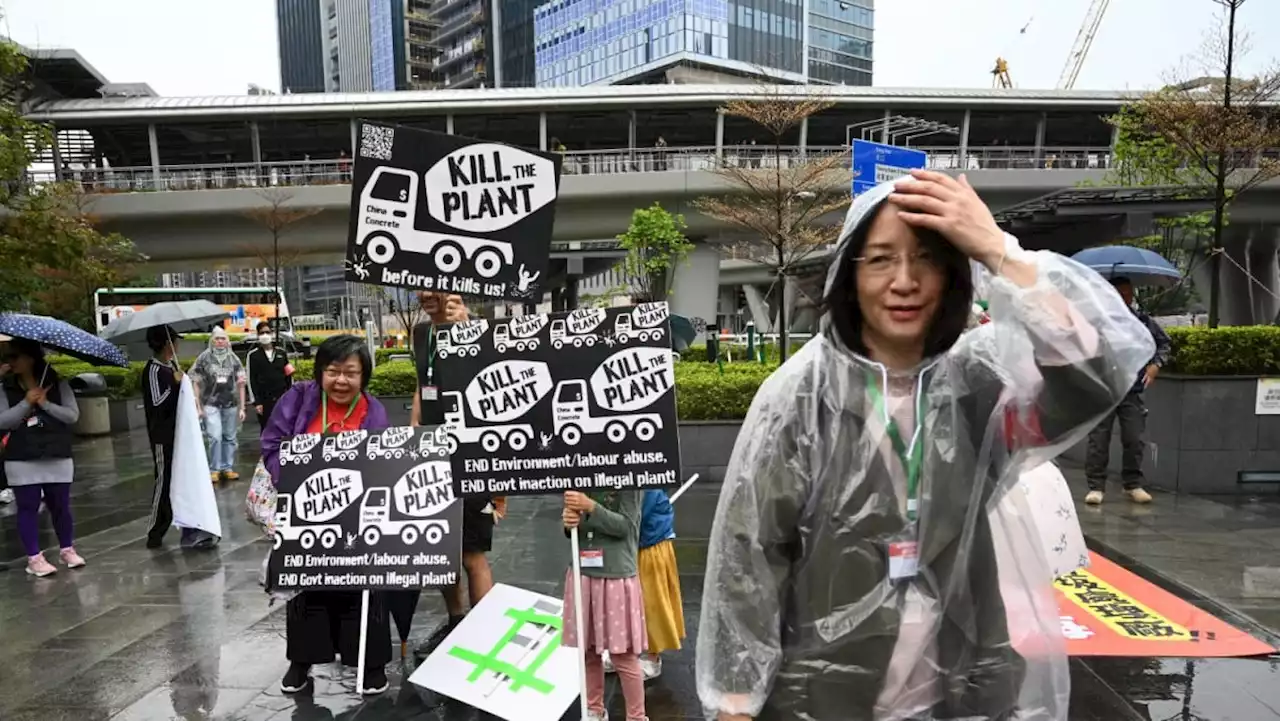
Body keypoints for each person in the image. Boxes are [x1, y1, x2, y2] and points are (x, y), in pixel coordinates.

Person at [696, 171, 1155, 721]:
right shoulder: (800, 397)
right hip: (826, 696)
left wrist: (999, 252)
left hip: (965, 686)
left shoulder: (977, 381)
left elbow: (1098, 375)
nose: (905, 281)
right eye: (882, 258)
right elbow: (749, 558)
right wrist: (736, 701)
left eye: (927, 259)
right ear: (849, 273)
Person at [261, 335, 393, 696]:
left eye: (351, 373)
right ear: (320, 372)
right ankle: (301, 662)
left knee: (364, 587)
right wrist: (289, 476)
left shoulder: (374, 411)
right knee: (306, 588)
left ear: (363, 376)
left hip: (355, 515)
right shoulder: (298, 399)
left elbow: (385, 461)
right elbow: (272, 445)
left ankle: (371, 663)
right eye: (333, 371)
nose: (341, 381)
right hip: (305, 510)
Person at [408, 292, 507, 654]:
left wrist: (466, 329)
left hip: (471, 451)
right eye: (421, 291)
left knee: (472, 554)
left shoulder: (475, 329)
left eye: (437, 291)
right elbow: (423, 381)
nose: (428, 298)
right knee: (441, 551)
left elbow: (494, 376)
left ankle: (484, 631)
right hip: (432, 456)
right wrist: (415, 424)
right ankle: (455, 621)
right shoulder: (421, 335)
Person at [1084, 276, 1171, 505]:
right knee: (1098, 440)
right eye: (1119, 293)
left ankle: (1132, 484)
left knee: (1134, 437)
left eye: (1128, 293)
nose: (1125, 298)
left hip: (1132, 389)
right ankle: (1096, 486)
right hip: (1103, 389)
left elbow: (1164, 343)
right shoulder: (1096, 321)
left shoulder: (1141, 321)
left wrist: (1155, 365)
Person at [0, 339, 83, 577]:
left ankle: (67, 549)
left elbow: (72, 415)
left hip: (56, 452)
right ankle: (34, 558)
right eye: (7, 358)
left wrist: (45, 403)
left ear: (30, 358)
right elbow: (3, 420)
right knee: (28, 506)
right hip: (22, 455)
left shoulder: (57, 384)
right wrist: (26, 402)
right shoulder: (5, 387)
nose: (9, 362)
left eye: (15, 357)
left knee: (61, 505)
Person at [563, 489, 647, 721]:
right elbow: (573, 530)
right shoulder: (579, 478)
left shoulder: (631, 480)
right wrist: (570, 522)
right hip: (583, 571)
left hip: (615, 576)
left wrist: (591, 507)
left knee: (623, 655)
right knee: (588, 649)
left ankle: (636, 717)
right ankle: (594, 710)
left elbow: (626, 527)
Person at [191, 327, 246, 482]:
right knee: (215, 436)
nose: (220, 341)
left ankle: (227, 468)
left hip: (230, 403)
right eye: (217, 338)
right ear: (212, 340)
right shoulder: (204, 358)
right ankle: (215, 468)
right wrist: (198, 406)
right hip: (211, 403)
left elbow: (241, 383)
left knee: (229, 436)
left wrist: (242, 407)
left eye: (223, 338)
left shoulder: (233, 359)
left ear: (227, 341)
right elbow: (195, 380)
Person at [245, 321, 293, 434]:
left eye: (267, 332)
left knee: (283, 426)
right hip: (264, 399)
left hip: (281, 397)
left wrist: (291, 396)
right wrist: (256, 402)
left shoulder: (282, 353)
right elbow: (251, 379)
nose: (265, 335)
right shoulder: (253, 355)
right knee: (266, 428)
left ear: (272, 334)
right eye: (262, 333)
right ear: (258, 335)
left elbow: (289, 376)